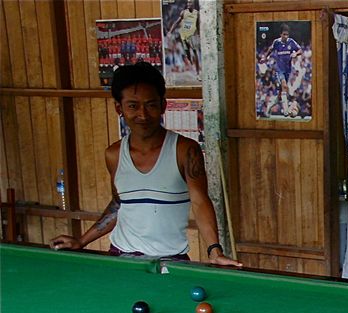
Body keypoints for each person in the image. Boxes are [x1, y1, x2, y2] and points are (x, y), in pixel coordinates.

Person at [50, 62, 239, 266]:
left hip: (171, 261)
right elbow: (119, 204)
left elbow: (200, 201)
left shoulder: (185, 150)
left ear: (163, 105)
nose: (143, 114)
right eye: (133, 105)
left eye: (151, 104)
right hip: (121, 258)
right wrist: (81, 241)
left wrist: (214, 250)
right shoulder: (113, 155)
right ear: (118, 108)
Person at [260, 24, 303, 117]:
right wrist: (265, 57)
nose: (286, 36)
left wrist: (296, 54)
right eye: (284, 34)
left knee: (280, 94)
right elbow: (270, 50)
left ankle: (268, 108)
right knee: (284, 86)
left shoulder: (291, 42)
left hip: (288, 70)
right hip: (279, 69)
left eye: (287, 34)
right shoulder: (277, 42)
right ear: (280, 34)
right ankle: (286, 110)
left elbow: (300, 50)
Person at [171, 0, 201, 80]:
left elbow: (198, 25)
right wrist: (171, 31)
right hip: (184, 36)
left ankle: (197, 72)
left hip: (193, 36)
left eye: (190, 3)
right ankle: (191, 63)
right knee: (187, 53)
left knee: (195, 53)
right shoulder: (183, 13)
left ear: (193, 5)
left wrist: (199, 34)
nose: (188, 4)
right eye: (187, 3)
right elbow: (176, 22)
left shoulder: (197, 13)